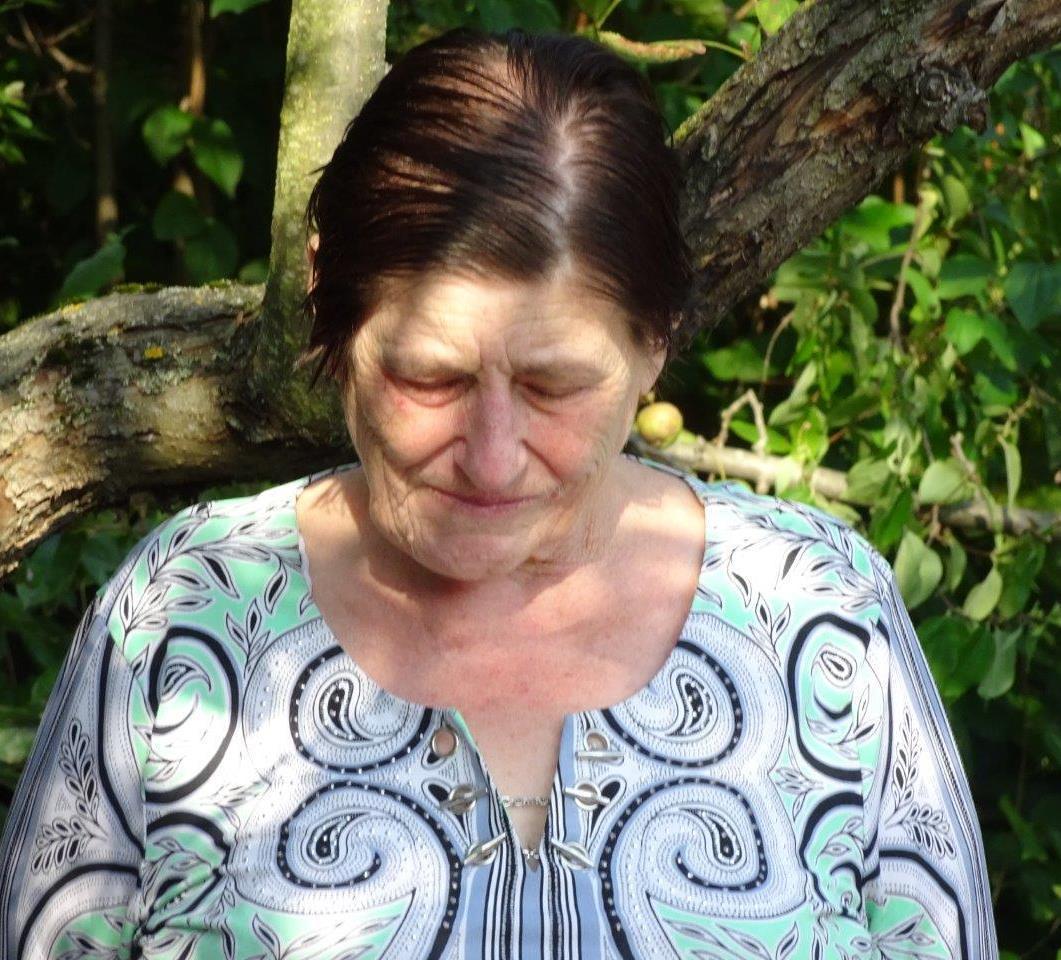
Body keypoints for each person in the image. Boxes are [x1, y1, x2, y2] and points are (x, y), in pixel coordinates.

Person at [0, 25, 997, 960]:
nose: (490, 458)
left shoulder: (817, 612)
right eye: (428, 378)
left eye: (552, 387)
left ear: (654, 338)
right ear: (324, 298)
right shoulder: (183, 613)